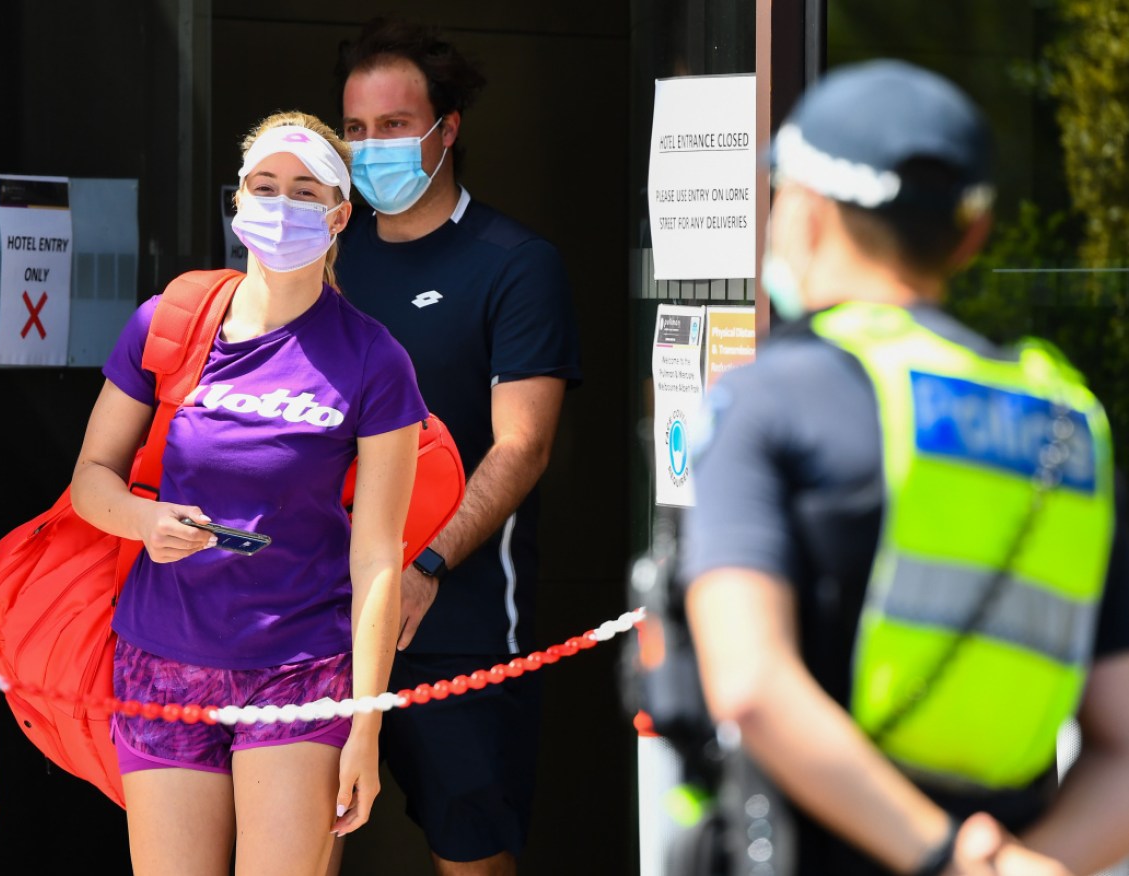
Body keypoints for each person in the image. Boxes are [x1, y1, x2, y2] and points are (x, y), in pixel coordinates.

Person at [680, 60, 1129, 876]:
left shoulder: (769, 397)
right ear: (970, 237)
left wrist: (944, 858)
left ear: (805, 217)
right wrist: (1016, 866)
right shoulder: (1068, 427)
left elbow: (747, 680)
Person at [69, 111, 428, 876]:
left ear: (339, 216)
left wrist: (364, 722)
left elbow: (377, 559)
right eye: (265, 186)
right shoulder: (167, 324)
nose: (282, 204)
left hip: (300, 670)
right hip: (162, 662)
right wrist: (145, 519)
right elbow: (89, 481)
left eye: (305, 192)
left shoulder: (374, 358)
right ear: (237, 202)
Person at [330, 18, 583, 876]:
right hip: (315, 611)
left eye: (394, 127)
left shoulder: (513, 264)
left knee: (470, 852)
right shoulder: (323, 261)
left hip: (457, 620)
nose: (372, 150)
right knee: (296, 842)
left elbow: (522, 444)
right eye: (355, 132)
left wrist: (426, 567)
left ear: (447, 130)